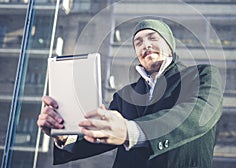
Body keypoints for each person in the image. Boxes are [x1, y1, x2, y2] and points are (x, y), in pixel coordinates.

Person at [37, 19, 223, 168]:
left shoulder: (202, 75)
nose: (146, 45)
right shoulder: (124, 96)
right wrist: (64, 132)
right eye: (139, 42)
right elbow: (101, 135)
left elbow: (197, 115)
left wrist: (130, 131)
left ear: (169, 45)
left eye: (153, 38)